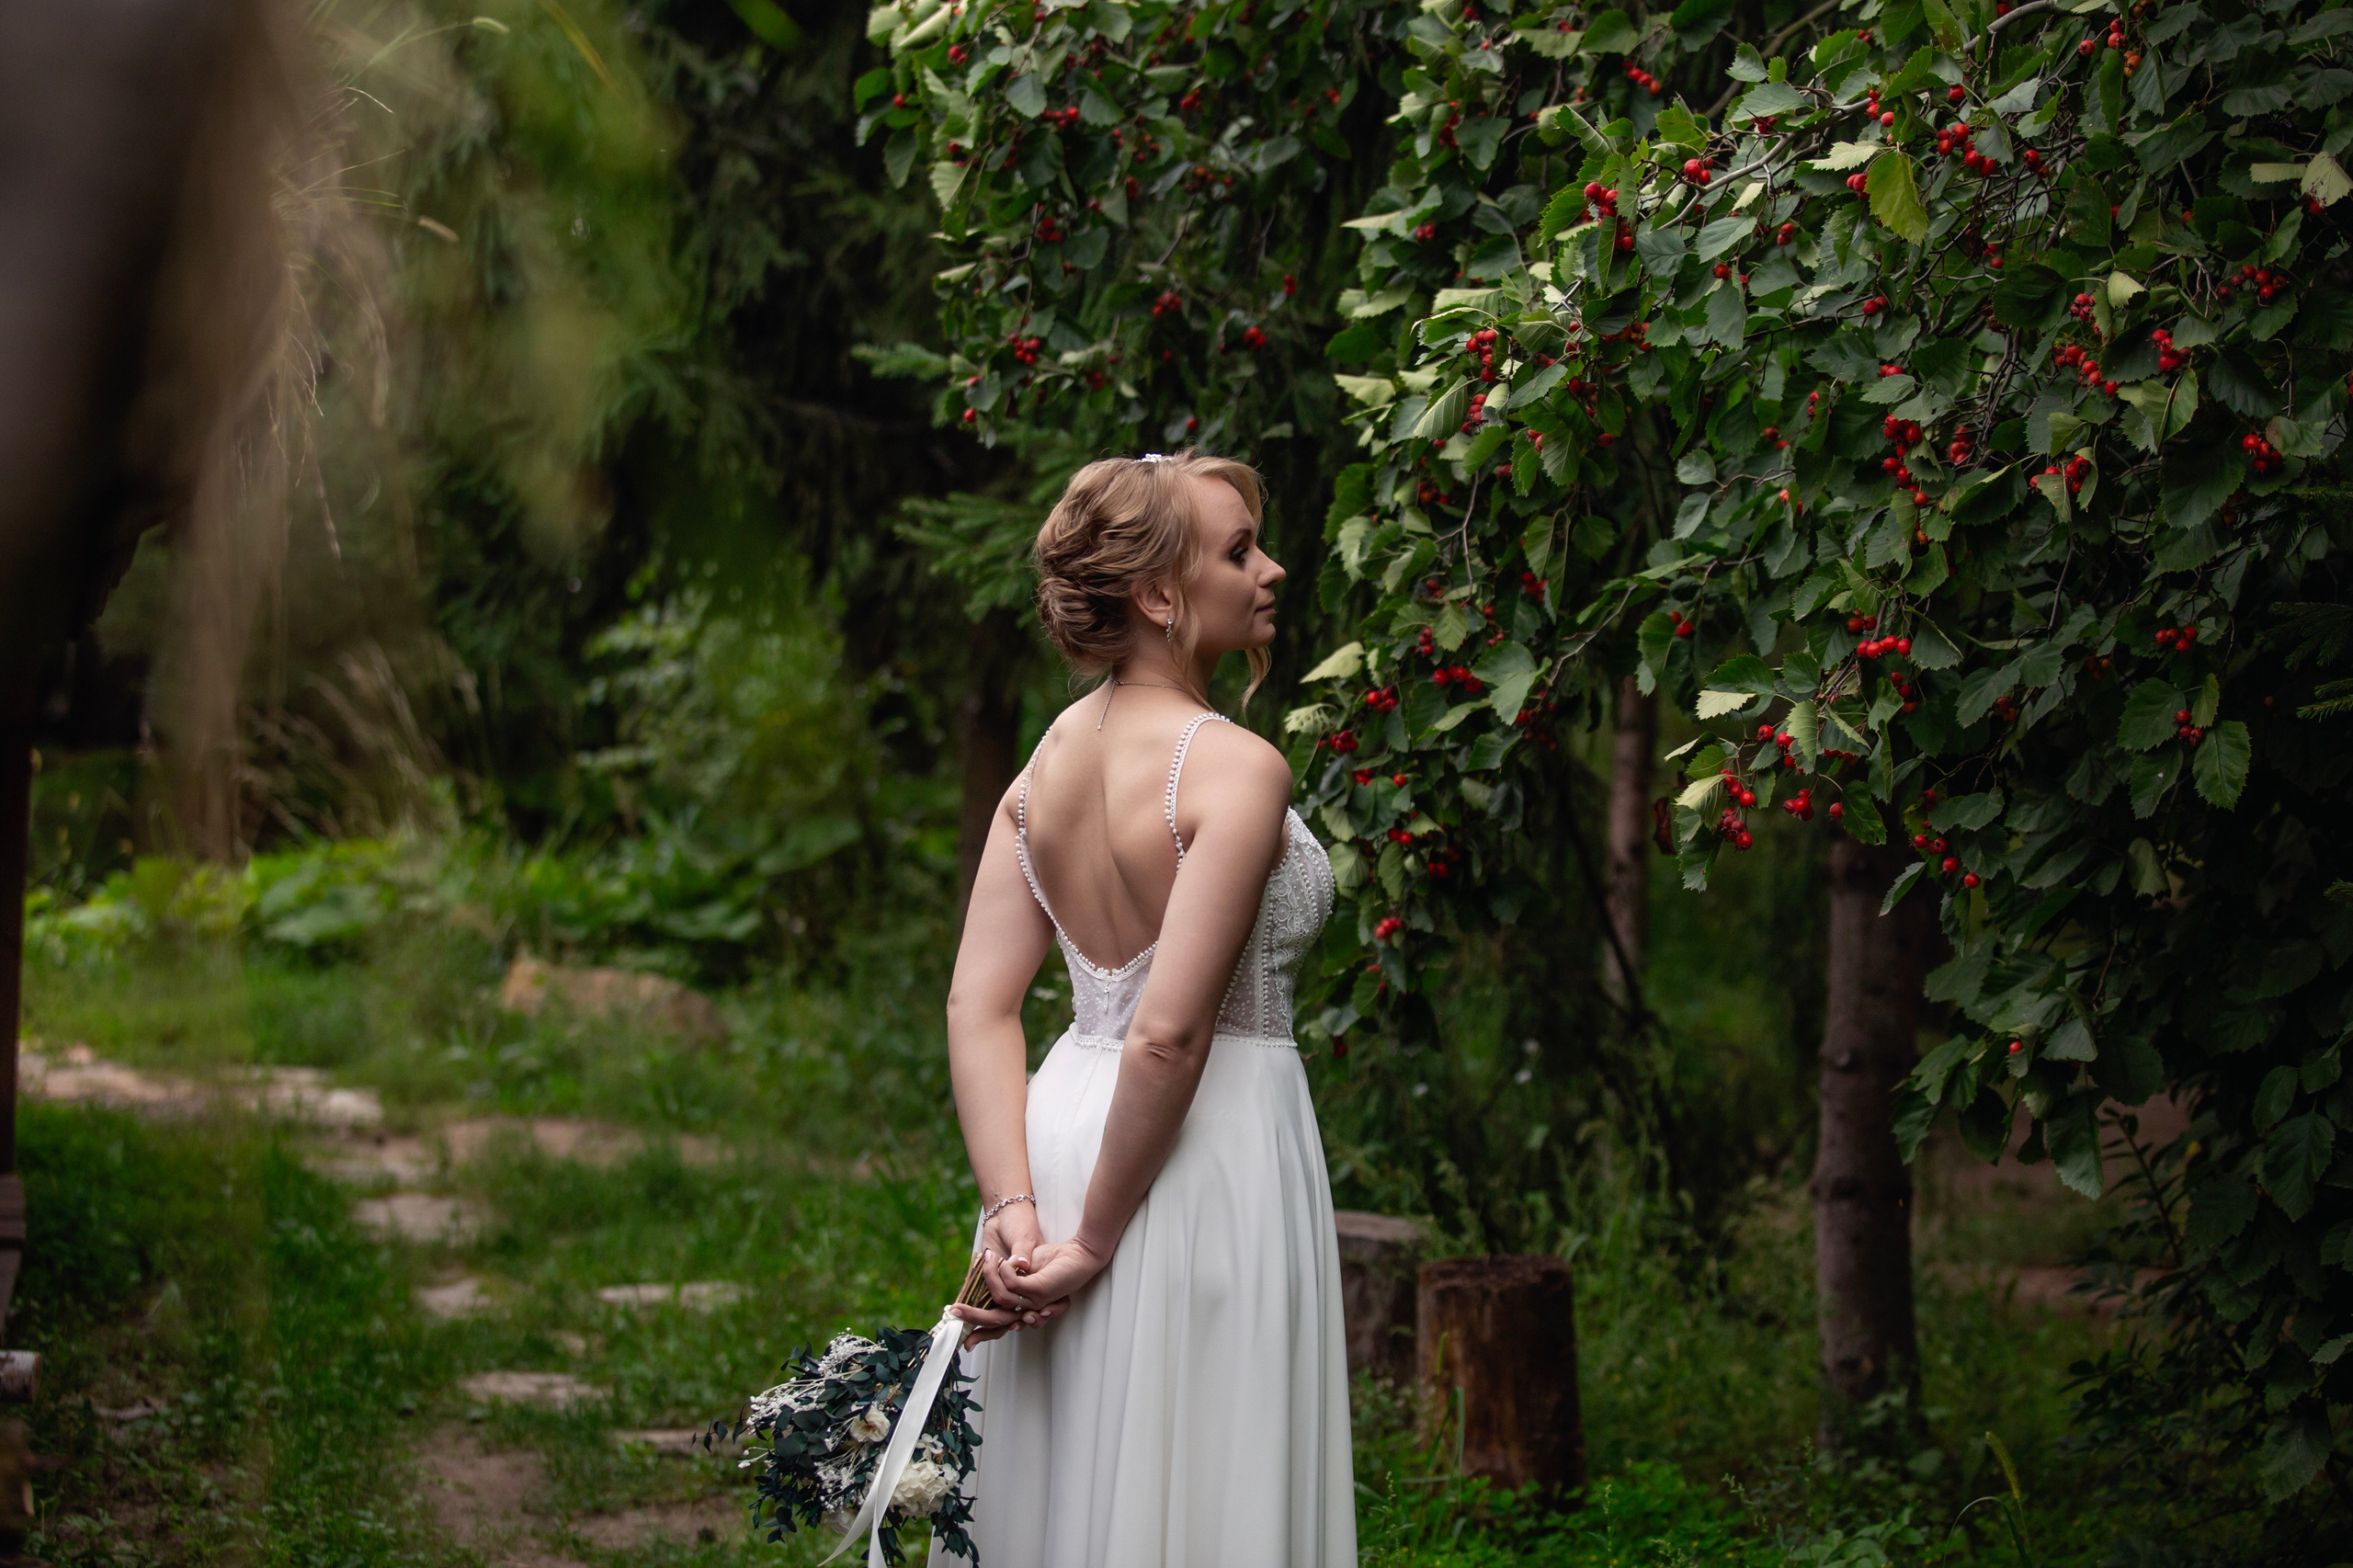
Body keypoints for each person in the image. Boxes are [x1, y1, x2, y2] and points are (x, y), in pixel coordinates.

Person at [934, 450, 1355, 1567]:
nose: (1269, 568)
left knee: (1072, 1467)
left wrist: (1015, 1209)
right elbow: (1171, 1032)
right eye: (1236, 550)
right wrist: (1098, 1239)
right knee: (1202, 1483)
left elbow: (978, 1002)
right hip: (1199, 1156)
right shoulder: (1236, 767)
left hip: (1065, 1132)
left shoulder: (1044, 766)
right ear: (1161, 596)